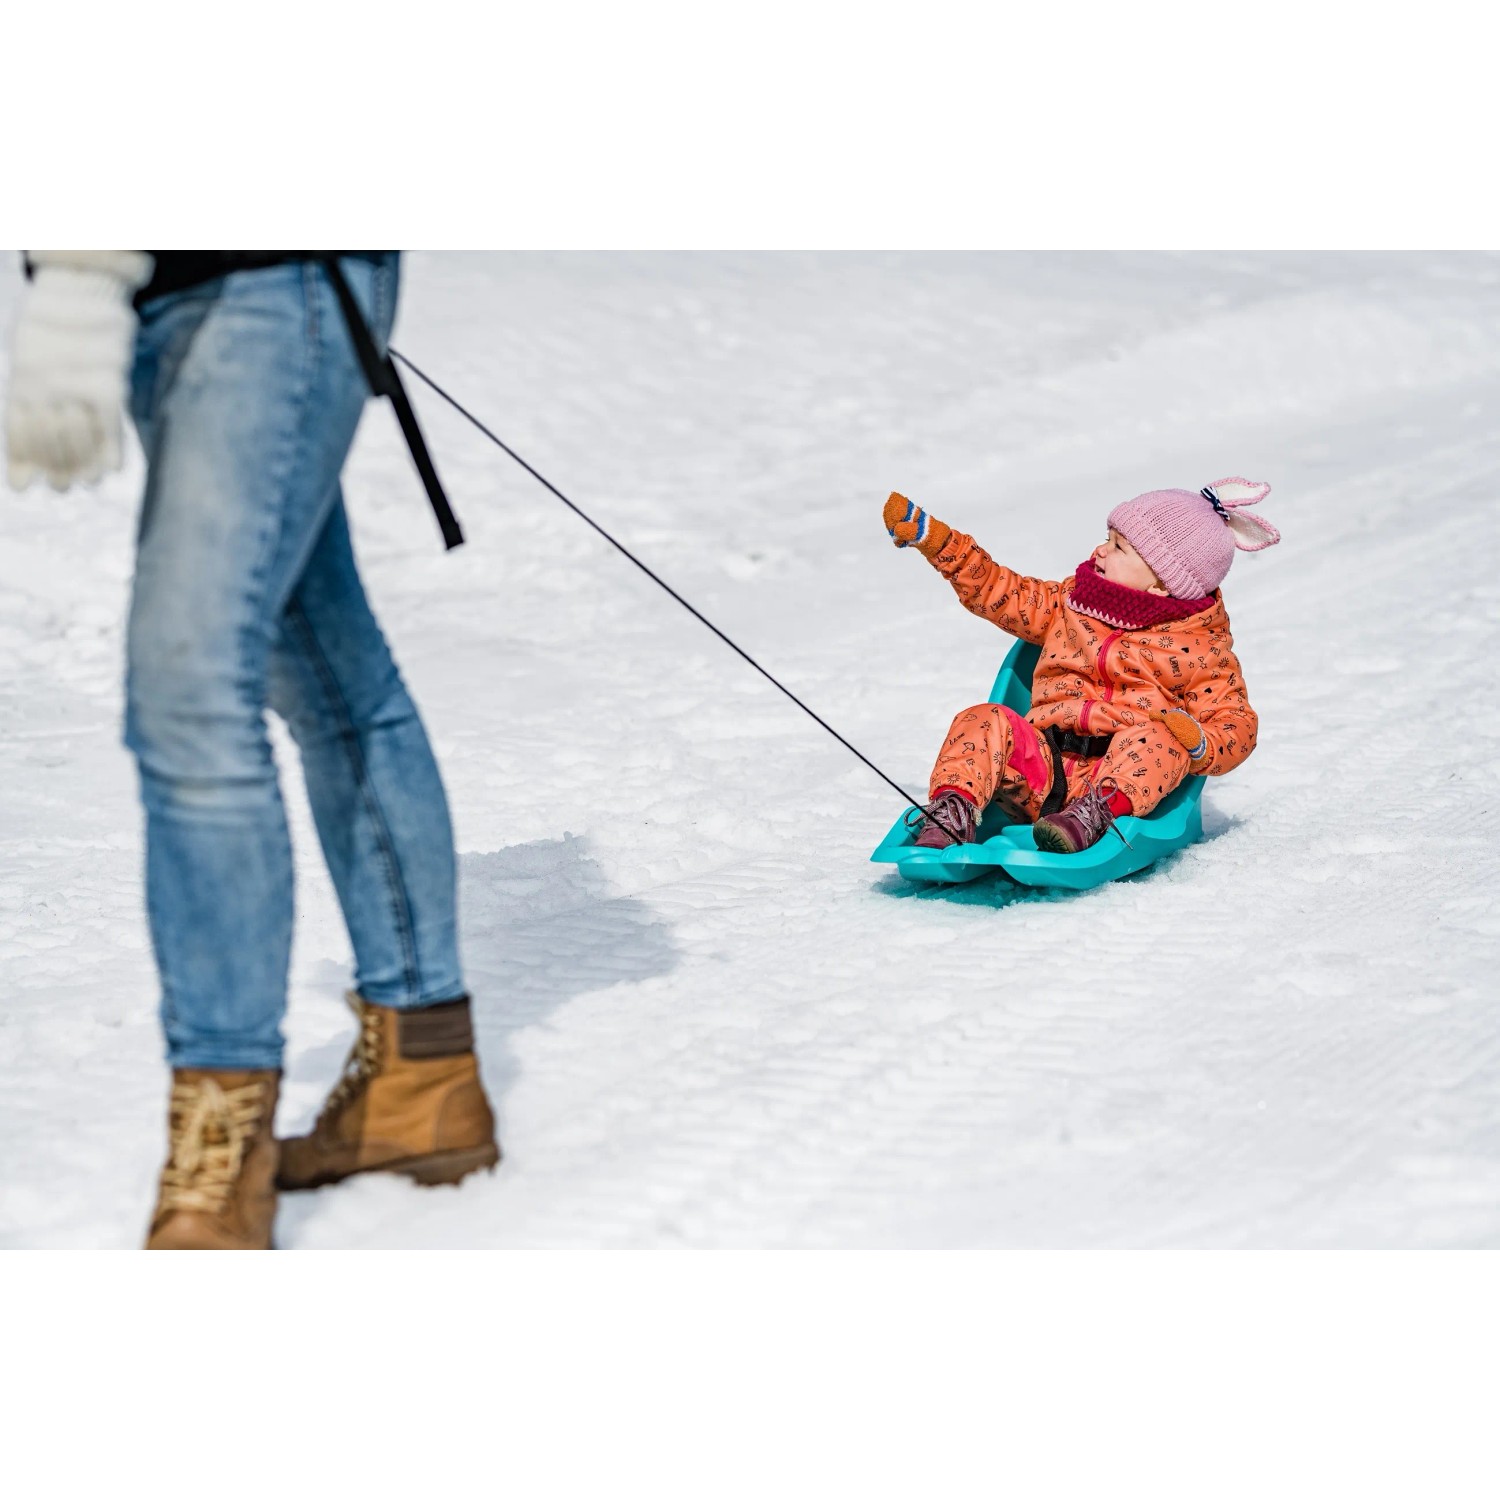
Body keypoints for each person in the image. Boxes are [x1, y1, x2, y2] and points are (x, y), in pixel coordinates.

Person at [5, 250, 499, 1250]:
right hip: (192, 284)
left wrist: (79, 268)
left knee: (188, 690)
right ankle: (421, 1069)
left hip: (266, 274)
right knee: (323, 663)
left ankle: (220, 1140)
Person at [882, 478, 1280, 855]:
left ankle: (1087, 820)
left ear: (1162, 582)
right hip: (1041, 768)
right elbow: (999, 590)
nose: (1100, 550)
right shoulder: (1071, 603)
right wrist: (938, 542)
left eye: (1119, 547)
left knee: (1160, 739)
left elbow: (1237, 723)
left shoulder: (1200, 650)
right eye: (1108, 538)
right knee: (983, 720)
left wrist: (1197, 742)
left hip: (1119, 785)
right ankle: (953, 811)